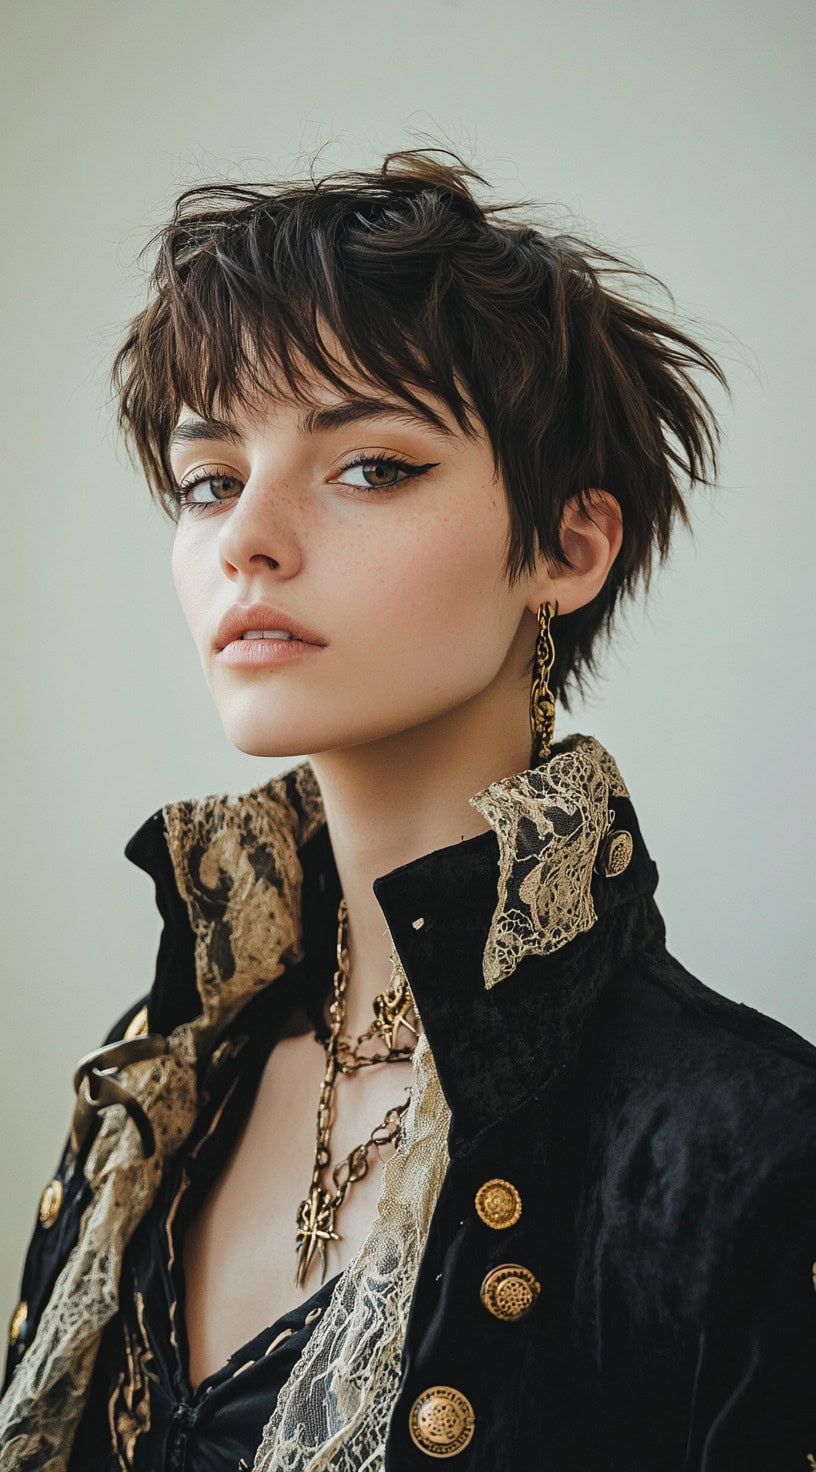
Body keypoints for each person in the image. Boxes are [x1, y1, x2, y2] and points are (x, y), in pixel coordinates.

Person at [1, 147, 814, 1472]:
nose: (245, 539)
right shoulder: (154, 1081)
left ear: (568, 547)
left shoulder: (742, 1152)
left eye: (370, 466)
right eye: (210, 477)